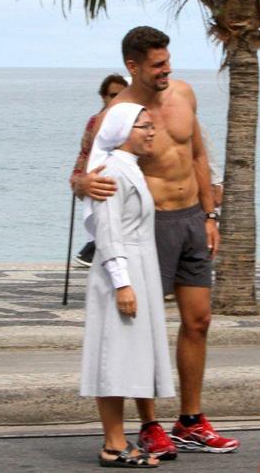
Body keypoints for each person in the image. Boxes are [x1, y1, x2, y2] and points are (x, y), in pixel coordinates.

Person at [73, 26, 239, 458]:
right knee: (142, 328)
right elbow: (82, 173)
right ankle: (149, 424)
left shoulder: (183, 94)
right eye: (157, 65)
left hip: (191, 221)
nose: (167, 70)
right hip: (149, 228)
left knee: (199, 320)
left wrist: (209, 214)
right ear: (133, 66)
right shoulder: (116, 115)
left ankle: (190, 420)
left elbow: (199, 154)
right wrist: (83, 183)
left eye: (168, 61)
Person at [80, 102, 174, 468]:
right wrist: (122, 284)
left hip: (139, 266)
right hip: (122, 270)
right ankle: (114, 444)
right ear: (121, 131)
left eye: (151, 126)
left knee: (125, 357)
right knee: (113, 358)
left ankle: (118, 441)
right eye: (142, 127)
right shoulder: (110, 171)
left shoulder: (128, 168)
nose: (150, 132)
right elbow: (108, 232)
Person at [70, 74, 129, 267]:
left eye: (122, 95)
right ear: (103, 96)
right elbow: (85, 152)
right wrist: (77, 177)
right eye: (112, 95)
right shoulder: (95, 122)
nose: (116, 100)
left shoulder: (134, 122)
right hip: (101, 181)